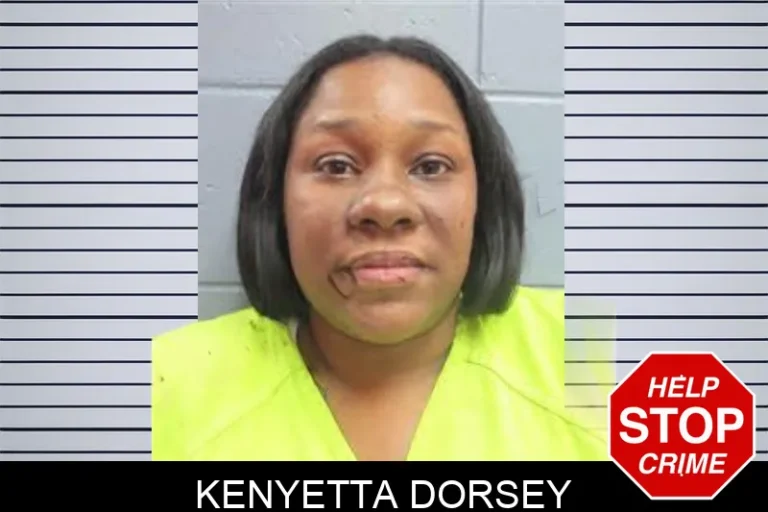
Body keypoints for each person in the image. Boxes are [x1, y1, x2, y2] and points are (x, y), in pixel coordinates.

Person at [152, 34, 606, 461]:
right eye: (336, 165)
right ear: (275, 202)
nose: (385, 205)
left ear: (483, 200)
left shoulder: (601, 362)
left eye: (430, 166)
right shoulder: (165, 388)